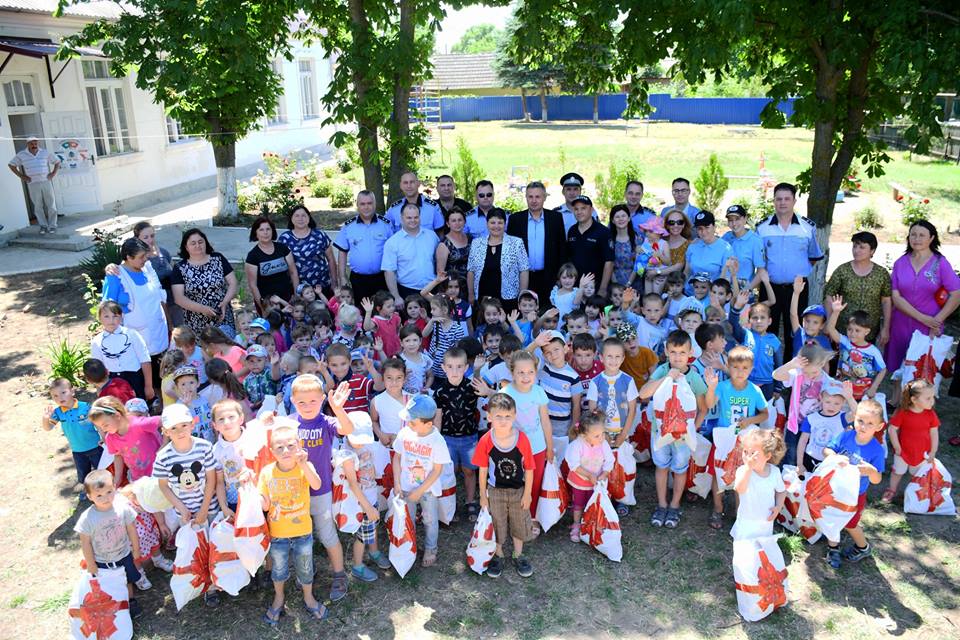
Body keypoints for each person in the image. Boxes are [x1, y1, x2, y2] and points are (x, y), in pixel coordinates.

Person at [291, 376, 355, 601]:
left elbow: (347, 428)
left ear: (322, 399)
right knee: (301, 537)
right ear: (293, 401)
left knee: (327, 534)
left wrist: (338, 408)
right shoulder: (289, 424)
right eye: (301, 402)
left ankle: (339, 574)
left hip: (321, 491)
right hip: (296, 493)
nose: (308, 406)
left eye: (313, 401)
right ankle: (306, 570)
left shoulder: (326, 422)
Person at [258, 423, 328, 624]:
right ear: (272, 451)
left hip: (302, 531)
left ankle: (308, 597)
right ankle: (279, 597)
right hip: (278, 533)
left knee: (305, 568)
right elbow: (265, 504)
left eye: (290, 445)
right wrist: (249, 490)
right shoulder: (267, 472)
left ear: (299, 446)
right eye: (279, 447)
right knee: (278, 570)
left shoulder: (305, 467)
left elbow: (317, 484)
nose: (286, 451)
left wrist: (304, 464)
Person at [639, 330, 708, 529]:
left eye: (682, 352)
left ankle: (675, 505)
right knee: (661, 466)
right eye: (673, 352)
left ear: (690, 353)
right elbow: (643, 394)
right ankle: (662, 504)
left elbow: (703, 408)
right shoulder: (662, 371)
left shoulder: (694, 378)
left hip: (683, 437)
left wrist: (692, 429)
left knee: (680, 469)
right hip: (660, 432)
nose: (677, 357)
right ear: (666, 352)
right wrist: (666, 378)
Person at [755, 183, 824, 359]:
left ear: (794, 201)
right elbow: (759, 259)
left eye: (787, 199)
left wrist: (799, 271)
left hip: (797, 289)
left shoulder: (807, 227)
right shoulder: (762, 228)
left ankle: (791, 370)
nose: (782, 203)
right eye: (779, 199)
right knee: (765, 329)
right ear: (773, 201)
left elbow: (814, 256)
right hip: (770, 287)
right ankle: (767, 368)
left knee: (794, 331)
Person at [884, 220, 960, 377]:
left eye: (921, 235)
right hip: (900, 325)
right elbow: (896, 297)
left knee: (922, 373)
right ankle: (897, 393)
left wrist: (937, 320)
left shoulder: (940, 263)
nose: (916, 239)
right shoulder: (900, 263)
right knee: (898, 370)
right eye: (913, 235)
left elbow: (956, 293)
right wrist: (922, 318)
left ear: (931, 238)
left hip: (929, 327)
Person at [471, 392, 535, 578]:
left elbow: (529, 468)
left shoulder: (522, 439)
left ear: (514, 416)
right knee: (497, 522)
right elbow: (483, 469)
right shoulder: (486, 440)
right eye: (498, 416)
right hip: (495, 491)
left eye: (508, 416)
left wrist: (527, 494)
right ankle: (498, 554)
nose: (503, 421)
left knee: (519, 522)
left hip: (518, 491)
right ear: (489, 416)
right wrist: (483, 496)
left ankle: (518, 554)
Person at [821, 399, 885, 568]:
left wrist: (871, 471)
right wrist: (834, 457)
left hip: (856, 494)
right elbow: (826, 450)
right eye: (860, 420)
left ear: (879, 427)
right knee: (832, 516)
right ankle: (833, 548)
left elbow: (877, 479)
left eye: (870, 424)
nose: (863, 426)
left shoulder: (877, 450)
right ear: (854, 418)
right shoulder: (846, 436)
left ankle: (863, 547)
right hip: (835, 488)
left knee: (850, 524)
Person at [102, 237, 170, 394]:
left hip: (158, 332)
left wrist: (169, 323)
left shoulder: (147, 269)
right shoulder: (116, 276)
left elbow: (159, 296)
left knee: (162, 377)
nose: (145, 259)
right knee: (144, 380)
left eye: (145, 255)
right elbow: (107, 309)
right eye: (141, 257)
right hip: (136, 338)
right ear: (128, 257)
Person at [75, 471, 145, 619]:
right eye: (99, 495)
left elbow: (131, 529)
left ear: (114, 487)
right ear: (89, 496)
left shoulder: (122, 508)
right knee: (108, 583)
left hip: (124, 554)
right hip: (102, 560)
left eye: (109, 492)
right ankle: (114, 604)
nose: (105, 498)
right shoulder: (87, 518)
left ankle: (130, 601)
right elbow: (85, 543)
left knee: (127, 579)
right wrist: (91, 563)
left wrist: (136, 549)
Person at [393, 394, 452, 568]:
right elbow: (397, 457)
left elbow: (437, 470)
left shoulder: (437, 441)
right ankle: (409, 546)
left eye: (412, 422)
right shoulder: (405, 433)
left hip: (427, 490)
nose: (408, 424)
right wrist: (397, 482)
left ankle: (431, 548)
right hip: (406, 486)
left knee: (430, 520)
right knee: (408, 518)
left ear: (428, 424)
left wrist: (419, 491)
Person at [335, 413, 391, 582]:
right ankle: (357, 566)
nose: (360, 443)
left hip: (371, 496)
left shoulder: (365, 446)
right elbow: (353, 484)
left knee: (372, 527)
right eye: (357, 439)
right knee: (362, 536)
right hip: (360, 503)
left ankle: (374, 551)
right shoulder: (346, 455)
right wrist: (368, 507)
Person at [586, 337, 639, 516]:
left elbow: (632, 409)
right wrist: (603, 434)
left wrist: (624, 433)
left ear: (623, 358)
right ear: (601, 357)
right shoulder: (595, 382)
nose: (613, 360)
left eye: (617, 356)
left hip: (622, 433)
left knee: (624, 466)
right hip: (602, 436)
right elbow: (593, 410)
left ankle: (623, 498)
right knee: (603, 467)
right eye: (609, 356)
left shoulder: (628, 380)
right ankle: (605, 497)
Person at [433, 347, 482, 518]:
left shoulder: (471, 387)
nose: (455, 371)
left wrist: (478, 370)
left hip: (469, 438)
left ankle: (470, 501)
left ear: (466, 367)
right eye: (450, 367)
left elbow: (482, 389)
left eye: (459, 366)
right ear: (443, 367)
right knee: (449, 472)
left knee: (469, 471)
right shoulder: (439, 391)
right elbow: (438, 417)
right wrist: (436, 440)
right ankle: (449, 505)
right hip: (448, 438)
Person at [773, 343, 837, 471]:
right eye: (806, 372)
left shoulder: (828, 382)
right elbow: (776, 375)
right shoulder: (797, 374)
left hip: (815, 427)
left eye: (814, 372)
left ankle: (804, 477)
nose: (810, 375)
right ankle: (786, 477)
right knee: (790, 454)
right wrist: (791, 364)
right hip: (795, 424)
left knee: (807, 455)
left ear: (822, 364)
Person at [506, 182, 568, 310]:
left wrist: (560, 277)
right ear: (526, 197)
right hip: (524, 277)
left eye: (538, 197)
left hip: (549, 277)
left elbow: (562, 249)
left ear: (544, 197)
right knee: (526, 313)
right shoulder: (515, 219)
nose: (534, 200)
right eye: (530, 196)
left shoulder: (555, 218)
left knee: (548, 313)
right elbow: (510, 251)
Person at [823, 231, 891, 345]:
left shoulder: (881, 273)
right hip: (843, 331)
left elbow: (886, 301)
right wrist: (829, 323)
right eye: (854, 246)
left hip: (868, 332)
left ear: (872, 251)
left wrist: (885, 328)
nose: (856, 250)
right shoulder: (842, 271)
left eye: (862, 247)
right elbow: (829, 296)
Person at [171, 228, 238, 335]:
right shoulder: (180, 268)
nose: (198, 245)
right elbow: (179, 298)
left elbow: (233, 283)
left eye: (200, 242)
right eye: (193, 243)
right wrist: (202, 309)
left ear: (206, 243)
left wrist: (225, 302)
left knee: (226, 344)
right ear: (186, 247)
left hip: (223, 315)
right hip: (196, 322)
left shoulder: (218, 258)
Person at [41, 378, 101, 497]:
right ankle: (88, 490)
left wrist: (104, 438)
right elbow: (48, 428)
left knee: (101, 469)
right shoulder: (58, 412)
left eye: (63, 392)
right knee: (83, 473)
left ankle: (105, 488)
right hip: (77, 450)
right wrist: (45, 419)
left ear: (72, 391)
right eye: (55, 396)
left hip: (95, 446)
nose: (60, 397)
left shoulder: (86, 407)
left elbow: (98, 423)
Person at [883, 379, 938, 502]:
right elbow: (892, 429)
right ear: (914, 399)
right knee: (898, 471)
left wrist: (933, 451)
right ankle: (892, 490)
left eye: (933, 397)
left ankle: (911, 493)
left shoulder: (931, 414)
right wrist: (897, 447)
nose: (932, 401)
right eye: (928, 398)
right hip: (902, 451)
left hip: (922, 452)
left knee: (917, 474)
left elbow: (934, 433)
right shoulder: (903, 413)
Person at [466, 208, 530, 313]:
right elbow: (471, 271)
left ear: (505, 224)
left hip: (509, 298)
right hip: (483, 297)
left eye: (500, 222)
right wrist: (471, 294)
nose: (496, 226)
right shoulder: (476, 243)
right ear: (487, 224)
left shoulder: (516, 243)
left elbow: (524, 270)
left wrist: (522, 295)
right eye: (492, 222)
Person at [564, 410, 614, 542]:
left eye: (603, 433)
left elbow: (609, 460)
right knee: (578, 504)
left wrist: (605, 473)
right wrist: (589, 474)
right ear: (584, 435)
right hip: (580, 481)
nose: (601, 438)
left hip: (596, 482)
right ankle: (577, 524)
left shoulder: (603, 444)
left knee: (593, 503)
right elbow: (574, 464)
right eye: (597, 436)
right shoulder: (577, 445)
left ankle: (591, 523)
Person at [334, 191, 392, 303]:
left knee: (382, 309)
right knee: (360, 310)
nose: (366, 207)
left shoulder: (386, 225)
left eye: (369, 203)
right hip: (358, 280)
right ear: (357, 205)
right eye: (362, 204)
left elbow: (394, 251)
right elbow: (342, 252)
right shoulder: (348, 226)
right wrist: (342, 277)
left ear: (375, 204)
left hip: (382, 278)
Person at [91, 301, 154, 401]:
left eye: (115, 316)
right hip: (111, 382)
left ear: (121, 317)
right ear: (99, 318)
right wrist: (99, 388)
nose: (111, 320)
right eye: (106, 316)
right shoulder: (97, 341)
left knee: (138, 406)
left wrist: (148, 386)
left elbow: (145, 360)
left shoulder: (132, 334)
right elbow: (98, 367)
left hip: (135, 379)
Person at [730, 429, 786, 541]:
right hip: (746, 522)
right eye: (745, 452)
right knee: (744, 549)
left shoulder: (774, 472)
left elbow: (781, 491)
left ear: (767, 456)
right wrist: (748, 469)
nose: (748, 457)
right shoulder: (743, 470)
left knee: (761, 548)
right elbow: (739, 489)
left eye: (753, 454)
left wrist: (778, 507)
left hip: (766, 522)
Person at [534, 330, 582, 462]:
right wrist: (536, 343)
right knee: (545, 461)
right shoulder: (542, 369)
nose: (553, 355)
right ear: (544, 355)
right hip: (542, 426)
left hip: (562, 430)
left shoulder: (573, 377)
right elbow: (523, 356)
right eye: (548, 352)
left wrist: (574, 427)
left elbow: (576, 406)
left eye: (556, 349)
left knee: (560, 462)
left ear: (565, 348)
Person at [825, 301, 887, 401]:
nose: (853, 333)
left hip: (862, 395)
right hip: (842, 393)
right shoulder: (845, 342)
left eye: (857, 330)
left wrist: (874, 388)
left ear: (867, 331)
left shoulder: (873, 351)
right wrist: (836, 312)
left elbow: (883, 370)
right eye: (850, 329)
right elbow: (830, 329)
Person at [382, 202, 440, 305]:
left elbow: (439, 261)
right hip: (407, 292)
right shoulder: (393, 242)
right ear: (401, 218)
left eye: (416, 217)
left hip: (432, 290)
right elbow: (389, 272)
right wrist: (396, 297)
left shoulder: (432, 236)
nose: (413, 220)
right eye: (409, 218)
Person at [795, 380, 857, 474]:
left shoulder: (843, 418)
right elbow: (802, 441)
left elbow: (858, 414)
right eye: (828, 402)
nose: (832, 407)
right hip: (809, 459)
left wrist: (850, 397)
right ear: (821, 398)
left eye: (837, 403)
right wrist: (799, 464)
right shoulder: (811, 418)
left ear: (843, 402)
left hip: (832, 462)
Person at [278, 205, 338, 298]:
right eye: (297, 216)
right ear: (291, 219)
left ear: (309, 218)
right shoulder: (285, 238)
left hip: (322, 286)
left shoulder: (320, 235)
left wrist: (334, 282)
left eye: (303, 215)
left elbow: (331, 260)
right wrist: (296, 292)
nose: (300, 218)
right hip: (299, 288)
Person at [245, 216, 299, 313]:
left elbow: (293, 272)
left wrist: (296, 295)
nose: (265, 232)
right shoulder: (253, 256)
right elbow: (253, 285)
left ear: (272, 231)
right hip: (268, 304)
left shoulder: (283, 248)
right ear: (255, 233)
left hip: (287, 299)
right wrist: (262, 307)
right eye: (261, 230)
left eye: (268, 229)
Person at [8, 135, 61, 234]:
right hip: (33, 183)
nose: (34, 145)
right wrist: (22, 176)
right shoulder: (22, 154)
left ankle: (53, 226)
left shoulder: (45, 152)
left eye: (35, 143)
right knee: (37, 206)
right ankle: (43, 226)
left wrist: (53, 173)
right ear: (27, 144)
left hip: (46, 181)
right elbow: (11, 165)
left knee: (51, 204)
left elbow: (57, 161)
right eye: (31, 143)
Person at [566, 195, 614, 297]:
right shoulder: (572, 231)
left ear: (591, 210)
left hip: (595, 287)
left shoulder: (603, 232)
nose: (579, 212)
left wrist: (603, 288)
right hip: (575, 287)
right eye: (576, 209)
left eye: (583, 208)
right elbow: (569, 258)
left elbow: (609, 262)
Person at [722, 204, 768, 293]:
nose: (734, 224)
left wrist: (746, 290)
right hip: (724, 292)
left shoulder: (755, 241)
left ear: (745, 219)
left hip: (743, 292)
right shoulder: (726, 237)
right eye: (730, 220)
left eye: (737, 219)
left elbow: (761, 272)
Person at [685, 211, 734, 292]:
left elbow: (726, 279)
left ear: (714, 227)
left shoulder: (725, 248)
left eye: (707, 227)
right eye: (700, 228)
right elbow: (687, 272)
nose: (703, 232)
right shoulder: (693, 246)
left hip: (713, 294)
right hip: (691, 293)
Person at [608, 204, 639, 288]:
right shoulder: (609, 240)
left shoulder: (638, 238)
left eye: (623, 216)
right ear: (612, 220)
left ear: (629, 218)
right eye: (617, 217)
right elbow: (608, 264)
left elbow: (639, 264)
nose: (621, 219)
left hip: (634, 283)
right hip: (614, 284)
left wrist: (628, 283)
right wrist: (616, 285)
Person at [436, 207, 471, 276]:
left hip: (472, 281)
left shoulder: (470, 238)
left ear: (464, 222)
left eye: (460, 220)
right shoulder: (444, 245)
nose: (457, 223)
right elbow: (440, 273)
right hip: (453, 282)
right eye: (453, 221)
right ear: (448, 224)